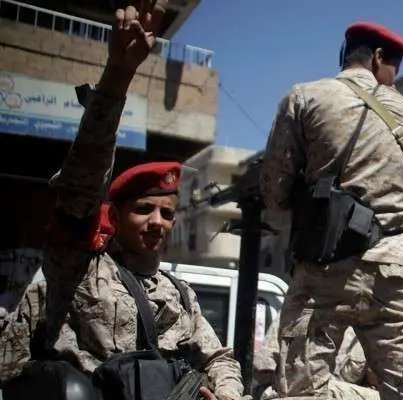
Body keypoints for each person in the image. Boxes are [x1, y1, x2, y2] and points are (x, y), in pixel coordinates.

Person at [0, 2, 245, 399]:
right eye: (143, 209)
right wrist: (118, 76)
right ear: (114, 214)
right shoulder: (80, 269)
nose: (157, 222)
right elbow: (83, 181)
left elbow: (219, 358)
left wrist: (226, 392)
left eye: (167, 213)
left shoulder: (179, 293)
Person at [259, 21, 403, 399]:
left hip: (328, 261)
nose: (394, 79)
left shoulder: (305, 96)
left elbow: (274, 189)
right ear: (377, 58)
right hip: (396, 266)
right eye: (394, 69)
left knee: (299, 388)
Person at [254, 317, 379, 399]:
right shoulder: (299, 313)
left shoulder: (371, 325)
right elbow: (263, 369)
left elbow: (380, 379)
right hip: (289, 390)